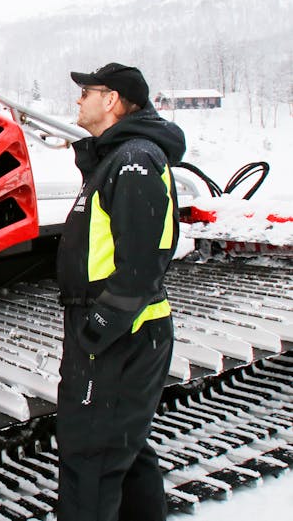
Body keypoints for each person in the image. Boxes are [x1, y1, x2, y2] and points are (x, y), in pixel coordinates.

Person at [55, 63, 186, 521]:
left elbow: (141, 262)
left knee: (90, 458)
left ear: (110, 100)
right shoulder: (116, 159)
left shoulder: (134, 160)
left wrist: (100, 327)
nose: (78, 100)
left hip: (119, 335)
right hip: (116, 333)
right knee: (121, 450)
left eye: (86, 92)